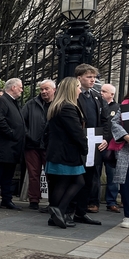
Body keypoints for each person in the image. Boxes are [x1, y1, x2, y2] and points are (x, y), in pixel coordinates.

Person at [45, 77, 88, 229]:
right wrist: (85, 147)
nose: (80, 90)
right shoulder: (68, 107)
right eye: (77, 87)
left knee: (62, 183)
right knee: (76, 182)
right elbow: (76, 132)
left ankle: (55, 216)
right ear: (71, 89)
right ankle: (59, 211)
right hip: (66, 153)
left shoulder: (57, 106)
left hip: (58, 152)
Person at [70, 63, 110, 224]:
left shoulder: (97, 96)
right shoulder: (74, 95)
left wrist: (106, 138)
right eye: (89, 77)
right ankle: (68, 209)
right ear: (79, 78)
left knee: (90, 178)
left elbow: (106, 120)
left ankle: (81, 211)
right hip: (79, 143)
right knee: (75, 177)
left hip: (95, 143)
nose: (93, 80)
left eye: (94, 77)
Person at [0, 78, 25, 210]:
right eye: (20, 87)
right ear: (13, 87)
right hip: (3, 144)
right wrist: (11, 133)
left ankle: (6, 199)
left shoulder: (14, 102)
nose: (22, 89)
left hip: (13, 145)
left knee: (8, 175)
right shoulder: (3, 100)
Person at [112, 75, 129, 229]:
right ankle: (128, 216)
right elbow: (114, 122)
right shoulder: (125, 104)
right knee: (127, 183)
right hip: (128, 149)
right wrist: (126, 136)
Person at [22, 79, 55, 210]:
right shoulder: (31, 104)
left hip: (50, 146)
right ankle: (34, 200)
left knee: (51, 174)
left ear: (54, 90)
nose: (43, 92)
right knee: (33, 174)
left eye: (46, 89)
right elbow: (21, 121)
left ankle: (53, 201)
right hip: (32, 145)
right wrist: (28, 135)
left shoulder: (58, 104)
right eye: (41, 89)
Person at [99, 83, 121, 213]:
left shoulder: (118, 107)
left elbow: (116, 127)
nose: (101, 93)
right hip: (98, 145)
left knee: (112, 175)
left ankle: (111, 202)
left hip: (112, 146)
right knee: (95, 174)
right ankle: (93, 201)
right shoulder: (98, 105)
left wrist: (107, 140)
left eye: (104, 91)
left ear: (111, 94)